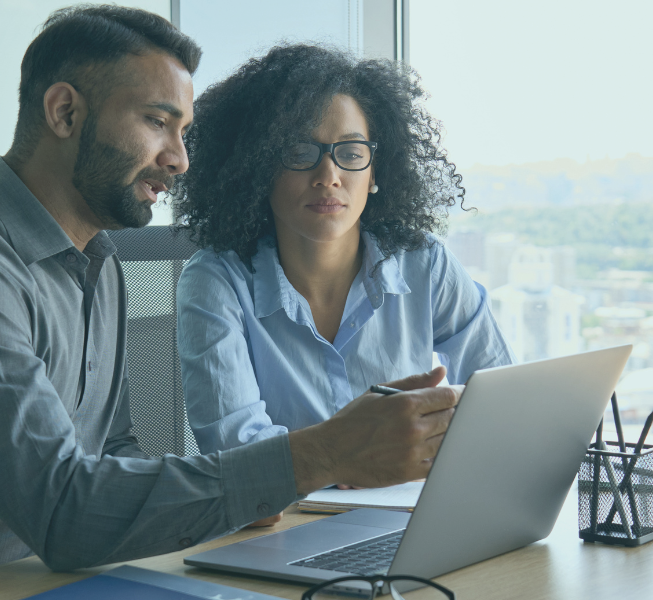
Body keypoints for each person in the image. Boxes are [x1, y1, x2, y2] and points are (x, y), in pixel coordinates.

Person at [0, 7, 458, 598]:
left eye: (184, 131)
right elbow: (65, 513)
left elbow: (113, 456)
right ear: (64, 113)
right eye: (156, 123)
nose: (180, 160)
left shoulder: (98, 264)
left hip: (56, 581)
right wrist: (317, 456)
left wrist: (242, 489)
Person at [173, 46, 513, 460]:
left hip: (410, 509)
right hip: (285, 520)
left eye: (351, 154)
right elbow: (238, 453)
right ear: (259, 168)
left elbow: (501, 397)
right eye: (300, 152)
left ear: (374, 173)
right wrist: (356, 456)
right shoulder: (215, 281)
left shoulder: (425, 263)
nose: (329, 177)